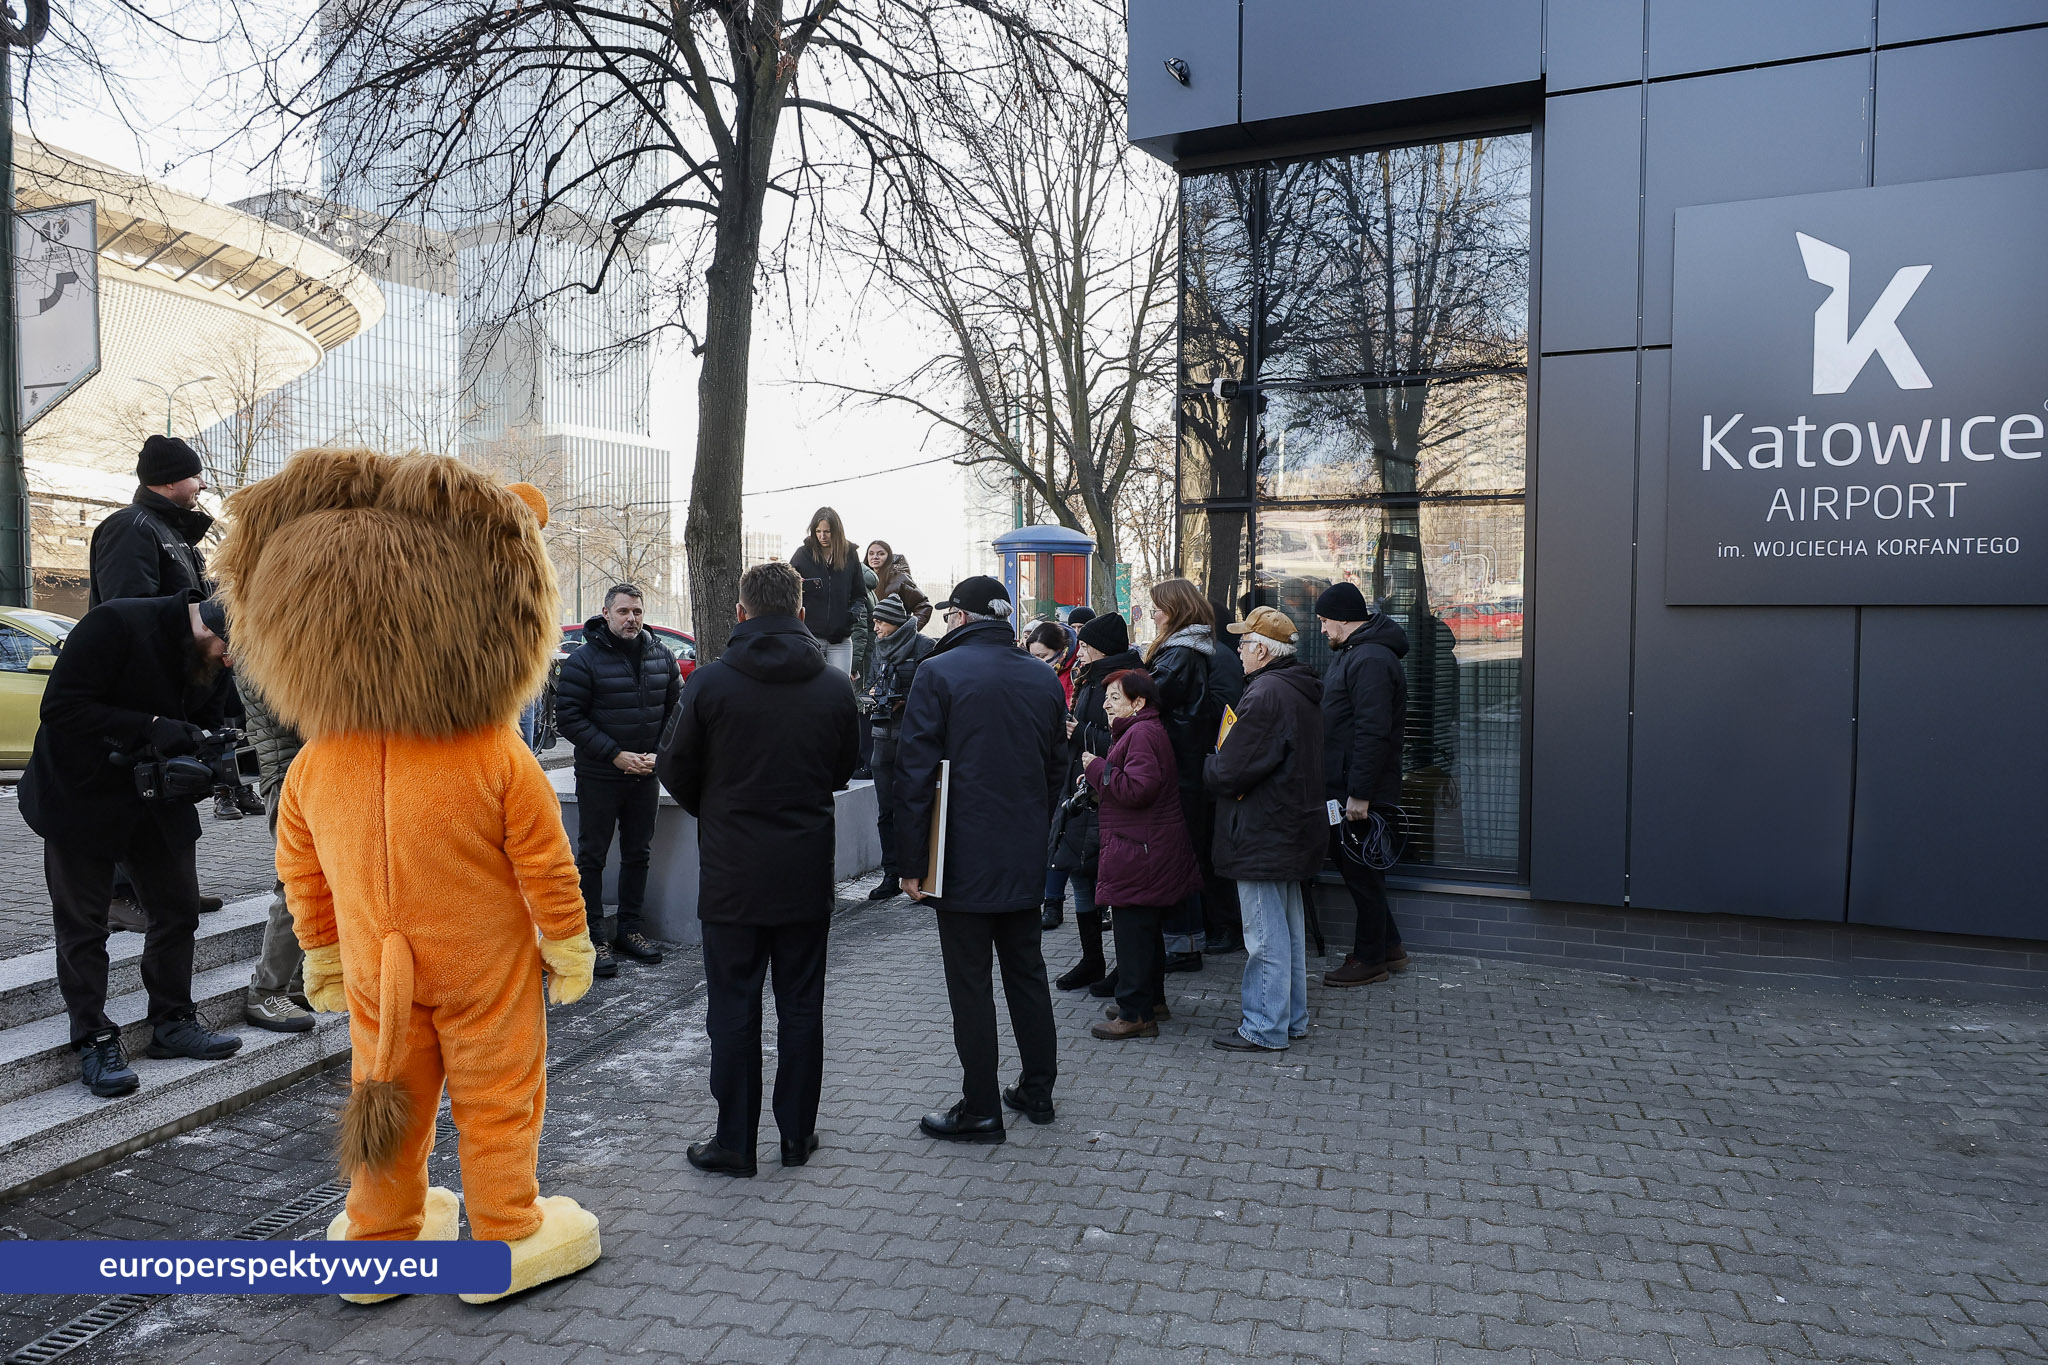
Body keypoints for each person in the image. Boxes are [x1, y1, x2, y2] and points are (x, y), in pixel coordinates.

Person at [658, 561, 861, 1176]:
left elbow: (675, 767)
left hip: (732, 874)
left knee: (733, 1009)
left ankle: (735, 1142)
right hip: (803, 870)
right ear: (801, 613)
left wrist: (717, 809)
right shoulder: (831, 686)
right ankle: (797, 1135)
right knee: (801, 1007)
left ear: (740, 613)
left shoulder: (711, 685)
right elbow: (842, 768)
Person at [18, 591, 244, 1098]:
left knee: (178, 910)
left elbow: (208, 716)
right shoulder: (115, 623)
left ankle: (172, 1021)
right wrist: (151, 728)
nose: (230, 664)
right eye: (229, 651)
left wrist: (207, 748)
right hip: (79, 793)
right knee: (83, 923)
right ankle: (94, 1038)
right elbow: (61, 708)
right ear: (210, 627)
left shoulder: (212, 657)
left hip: (156, 796)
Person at [896, 575, 1066, 1143]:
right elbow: (1055, 769)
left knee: (970, 984)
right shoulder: (1043, 678)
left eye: (949, 616)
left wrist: (910, 860)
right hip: (1021, 853)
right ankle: (1038, 1090)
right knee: (1027, 972)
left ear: (963, 618)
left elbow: (915, 776)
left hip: (958, 856)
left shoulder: (937, 673)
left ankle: (980, 1107)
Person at [89, 434, 258, 838]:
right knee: (136, 792)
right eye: (195, 476)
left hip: (172, 685)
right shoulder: (132, 528)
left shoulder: (173, 533)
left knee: (170, 791)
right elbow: (129, 614)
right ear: (167, 481)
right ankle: (127, 895)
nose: (202, 484)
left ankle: (169, 895)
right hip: (145, 688)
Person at [1205, 606, 1326, 1052]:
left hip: (1264, 829)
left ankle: (1263, 1026)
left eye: (1243, 644)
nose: (1237, 651)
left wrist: (1208, 765)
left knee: (1265, 935)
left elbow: (1231, 770)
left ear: (1262, 650)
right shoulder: (1296, 688)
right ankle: (1290, 1019)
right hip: (1290, 826)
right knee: (1286, 931)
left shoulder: (1265, 693)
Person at [554, 583, 680, 979]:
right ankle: (595, 937)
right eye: (624, 611)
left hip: (645, 772)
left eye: (637, 612)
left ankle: (630, 929)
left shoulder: (662, 656)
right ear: (606, 613)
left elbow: (677, 711)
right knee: (592, 856)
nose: (632, 619)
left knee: (638, 853)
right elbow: (569, 718)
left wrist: (659, 754)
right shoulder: (584, 661)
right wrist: (615, 754)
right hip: (600, 775)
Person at [1082, 669, 1201, 1040]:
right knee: (1145, 930)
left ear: (1138, 703)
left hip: (1139, 849)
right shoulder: (1141, 730)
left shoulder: (1142, 733)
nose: (1105, 704)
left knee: (1133, 931)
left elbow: (1138, 789)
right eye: (1107, 697)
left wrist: (1096, 768)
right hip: (1145, 846)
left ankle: (1135, 1013)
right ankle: (1150, 1002)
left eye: (1115, 698)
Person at [1315, 581, 1411, 987]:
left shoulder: (1369, 658)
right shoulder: (1356, 653)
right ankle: (1389, 946)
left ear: (1341, 619)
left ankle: (1371, 959)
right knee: (1360, 869)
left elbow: (1373, 732)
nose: (1321, 630)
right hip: (1348, 784)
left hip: (1357, 792)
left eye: (1323, 621)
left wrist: (1360, 793)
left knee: (1360, 872)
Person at [1145, 578, 1245, 970]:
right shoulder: (1202, 651)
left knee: (1200, 851)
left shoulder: (1191, 654)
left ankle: (1219, 928)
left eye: (1157, 608)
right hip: (1197, 763)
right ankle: (1208, 927)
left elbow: (1217, 709)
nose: (1152, 614)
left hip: (1195, 766)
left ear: (1175, 610)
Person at [1049, 611, 1143, 991]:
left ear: (1101, 648)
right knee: (1081, 874)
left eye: (1085, 645)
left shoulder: (1125, 683)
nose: (1079, 652)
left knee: (1113, 884)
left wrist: (1080, 732)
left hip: (1108, 793)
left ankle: (1123, 968)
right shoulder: (1091, 679)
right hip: (1082, 792)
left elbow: (1131, 742)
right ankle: (1092, 960)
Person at [240, 682, 313, 1032]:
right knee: (297, 882)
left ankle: (297, 982)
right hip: (288, 774)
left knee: (317, 880)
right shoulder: (262, 645)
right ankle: (266, 991)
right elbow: (303, 706)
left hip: (310, 769)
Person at [862, 593, 935, 902]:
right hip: (882, 738)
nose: (875, 627)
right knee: (886, 811)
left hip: (913, 738)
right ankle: (892, 874)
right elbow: (867, 686)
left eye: (879, 622)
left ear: (893, 622)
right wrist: (875, 693)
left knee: (919, 807)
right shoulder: (876, 649)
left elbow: (932, 691)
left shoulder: (924, 647)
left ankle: (925, 875)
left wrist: (904, 698)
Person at [790, 507, 866, 675]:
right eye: (818, 531)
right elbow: (787, 589)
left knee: (841, 689)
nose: (822, 536)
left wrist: (851, 615)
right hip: (810, 636)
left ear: (837, 531)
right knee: (809, 688)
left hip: (841, 638)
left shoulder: (850, 555)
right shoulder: (802, 554)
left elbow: (860, 593)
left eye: (827, 532)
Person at [867, 539, 932, 629]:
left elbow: (924, 606)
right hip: (868, 637)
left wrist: (907, 631)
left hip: (891, 638)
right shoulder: (863, 579)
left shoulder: (900, 578)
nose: (875, 557)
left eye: (881, 554)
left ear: (888, 557)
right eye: (871, 553)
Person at [1024, 620, 1079, 707]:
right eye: (1033, 656)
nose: (1037, 661)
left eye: (1042, 656)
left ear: (1060, 650)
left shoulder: (1078, 669)